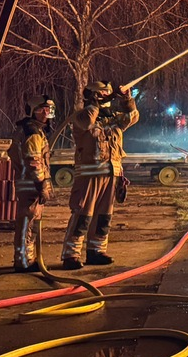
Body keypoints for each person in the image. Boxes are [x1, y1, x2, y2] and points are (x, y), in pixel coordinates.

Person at [61, 84, 138, 270]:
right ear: (94, 96)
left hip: (111, 174)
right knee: (82, 216)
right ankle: (71, 255)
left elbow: (132, 117)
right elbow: (87, 122)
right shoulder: (82, 117)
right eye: (104, 93)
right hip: (89, 176)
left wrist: (126, 99)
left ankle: (96, 251)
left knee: (104, 217)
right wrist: (96, 103)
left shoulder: (113, 119)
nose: (108, 96)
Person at [8, 94, 55, 273]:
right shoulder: (32, 133)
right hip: (31, 184)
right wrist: (41, 183)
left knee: (31, 223)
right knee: (27, 222)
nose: (46, 114)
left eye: (48, 110)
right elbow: (34, 160)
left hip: (30, 182)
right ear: (33, 111)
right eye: (42, 110)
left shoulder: (33, 130)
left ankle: (27, 258)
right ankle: (22, 261)